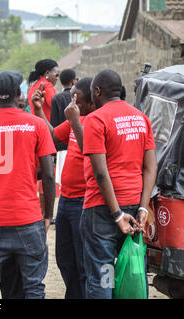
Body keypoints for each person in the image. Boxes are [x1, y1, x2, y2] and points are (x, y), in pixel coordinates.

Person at [0, 70, 56, 299]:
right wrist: (48, 214)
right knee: (34, 287)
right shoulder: (36, 125)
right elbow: (47, 174)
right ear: (19, 93)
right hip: (28, 220)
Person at [77, 69, 157, 299]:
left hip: (103, 211)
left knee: (104, 273)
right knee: (131, 272)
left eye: (92, 92)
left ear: (98, 91)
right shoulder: (141, 118)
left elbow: (101, 173)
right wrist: (143, 208)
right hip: (134, 207)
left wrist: (116, 214)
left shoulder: (96, 118)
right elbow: (150, 168)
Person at [32, 77, 95, 299]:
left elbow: (91, 152)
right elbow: (52, 135)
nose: (72, 99)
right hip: (67, 200)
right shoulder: (74, 121)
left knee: (82, 260)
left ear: (91, 98)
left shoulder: (95, 122)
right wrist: (39, 111)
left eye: (76, 96)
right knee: (64, 257)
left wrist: (75, 121)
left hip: (84, 202)